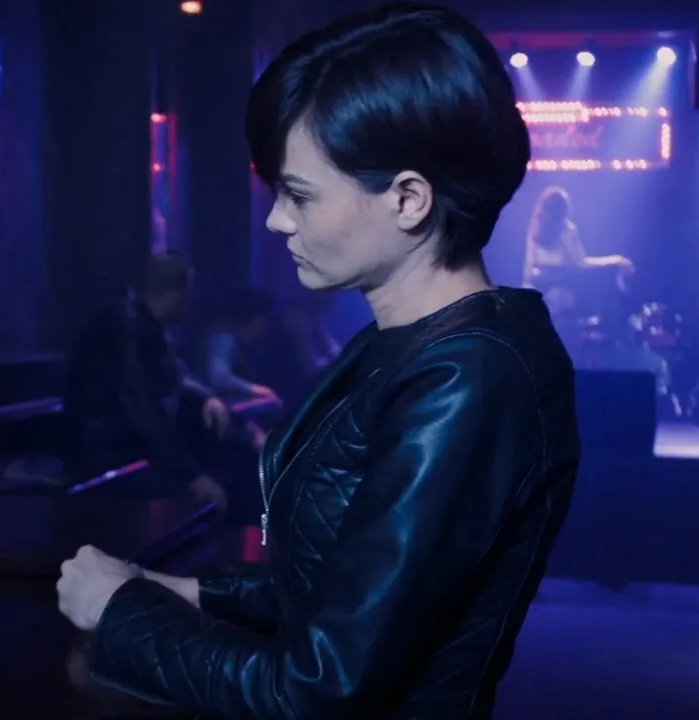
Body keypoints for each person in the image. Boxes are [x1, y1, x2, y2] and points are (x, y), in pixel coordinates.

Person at [56, 4, 580, 717]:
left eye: (299, 194)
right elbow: (343, 584)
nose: (278, 219)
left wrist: (121, 612)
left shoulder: (468, 377)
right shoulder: (413, 344)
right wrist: (176, 590)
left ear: (408, 199)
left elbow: (320, 688)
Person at [61, 251, 229, 510]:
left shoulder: (147, 325)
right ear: (180, 292)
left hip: (131, 452)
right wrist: (191, 474)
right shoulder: (124, 325)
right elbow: (142, 408)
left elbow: (177, 372)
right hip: (107, 458)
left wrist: (207, 397)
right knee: (204, 498)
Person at [522, 185, 634, 317]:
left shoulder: (542, 228)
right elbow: (581, 263)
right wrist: (616, 260)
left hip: (548, 289)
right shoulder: (561, 230)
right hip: (550, 289)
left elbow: (529, 267)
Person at [200, 287, 280, 403]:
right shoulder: (224, 339)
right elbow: (218, 377)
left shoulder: (240, 345)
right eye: (267, 322)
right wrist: (254, 389)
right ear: (258, 321)